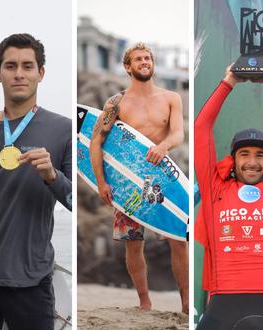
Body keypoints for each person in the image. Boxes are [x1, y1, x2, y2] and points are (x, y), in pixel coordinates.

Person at [0, 33, 72, 330]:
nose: (19, 74)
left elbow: (76, 201)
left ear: (41, 73)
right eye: (10, 66)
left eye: (27, 66)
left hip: (29, 277)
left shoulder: (63, 130)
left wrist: (52, 176)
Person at [194, 66, 263, 329]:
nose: (252, 162)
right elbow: (201, 127)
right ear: (233, 160)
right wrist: (229, 81)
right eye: (244, 154)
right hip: (223, 302)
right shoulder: (215, 189)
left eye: (259, 156)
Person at [90, 42, 189, 313]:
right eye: (138, 59)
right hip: (128, 182)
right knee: (133, 243)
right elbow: (95, 142)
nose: (145, 62)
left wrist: (164, 146)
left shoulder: (171, 98)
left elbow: (179, 133)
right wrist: (101, 182)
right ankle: (145, 303)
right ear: (127, 66)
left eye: (148, 58)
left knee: (179, 239)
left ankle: (185, 304)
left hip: (163, 178)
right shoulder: (117, 103)